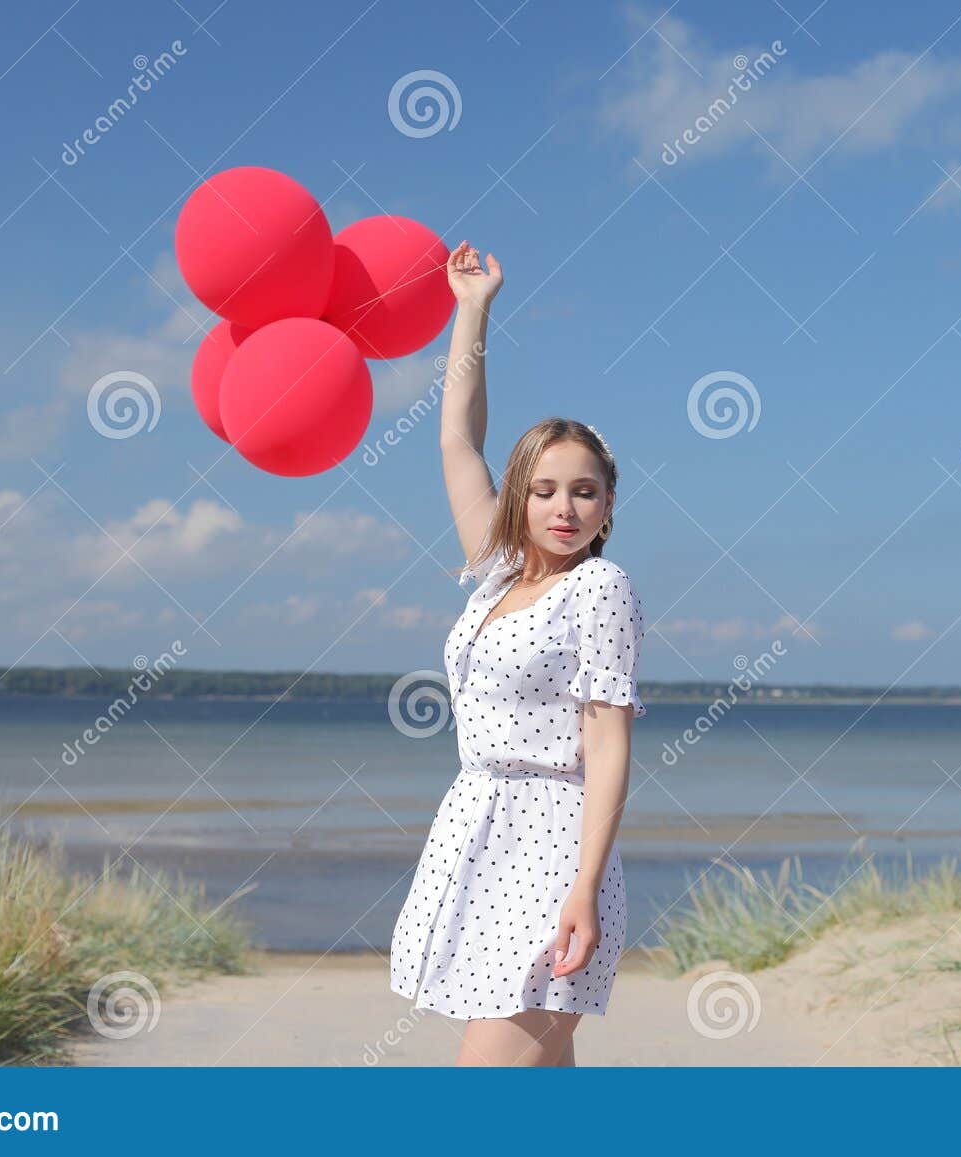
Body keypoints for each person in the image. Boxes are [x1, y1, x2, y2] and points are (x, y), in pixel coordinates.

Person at [388, 240, 646, 1067]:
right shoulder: (497, 573)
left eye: (584, 490)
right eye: (543, 489)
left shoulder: (598, 589)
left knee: (491, 1069)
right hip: (477, 829)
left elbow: (608, 739)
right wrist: (473, 310)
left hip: (553, 843)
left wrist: (584, 885)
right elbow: (458, 441)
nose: (563, 506)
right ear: (520, 498)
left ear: (607, 505)